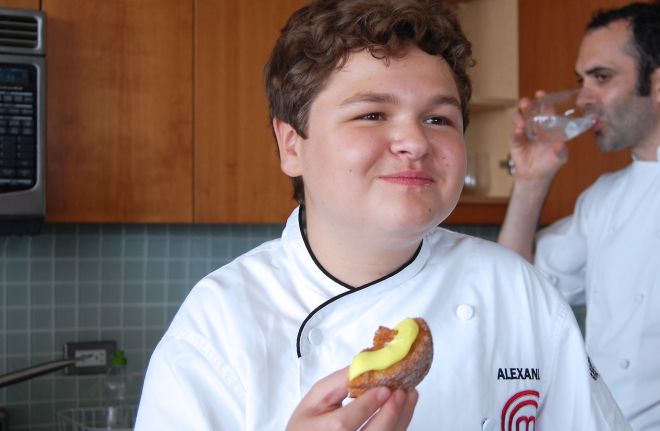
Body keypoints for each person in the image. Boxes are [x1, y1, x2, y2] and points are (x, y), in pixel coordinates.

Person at [134, 0, 631, 429]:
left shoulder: (517, 292)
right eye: (371, 114)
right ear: (291, 145)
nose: (415, 141)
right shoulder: (221, 322)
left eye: (438, 118)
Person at [498, 2, 660, 430]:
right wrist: (531, 182)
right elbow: (517, 290)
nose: (583, 98)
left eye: (601, 78)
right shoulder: (601, 198)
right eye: (581, 81)